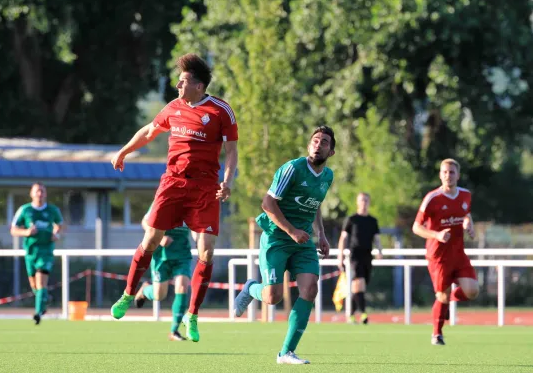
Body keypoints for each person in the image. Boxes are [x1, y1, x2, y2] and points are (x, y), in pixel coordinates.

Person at [109, 53, 238, 343]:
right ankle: (129, 294)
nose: (178, 87)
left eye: (183, 82)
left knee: (206, 253)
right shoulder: (174, 107)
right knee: (151, 239)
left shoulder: (221, 111)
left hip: (205, 188)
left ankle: (192, 316)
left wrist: (227, 181)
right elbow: (150, 131)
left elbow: (231, 151)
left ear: (199, 86)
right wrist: (124, 150)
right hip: (173, 183)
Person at [233, 126, 335, 365]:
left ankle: (286, 353)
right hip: (277, 238)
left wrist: (321, 234)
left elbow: (315, 203)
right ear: (310, 145)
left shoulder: (327, 176)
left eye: (325, 142)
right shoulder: (292, 169)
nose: (318, 144)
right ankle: (251, 288)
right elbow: (267, 203)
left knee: (310, 290)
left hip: (303, 242)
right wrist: (291, 230)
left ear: (331, 152)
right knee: (272, 297)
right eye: (315, 140)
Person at [412, 158, 479, 346]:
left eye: (451, 172)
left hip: (458, 254)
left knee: (472, 291)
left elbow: (466, 213)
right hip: (438, 257)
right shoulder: (432, 198)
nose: (448, 175)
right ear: (440, 175)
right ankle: (436, 334)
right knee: (441, 296)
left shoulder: (465, 195)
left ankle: (447, 301)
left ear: (458, 175)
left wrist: (468, 224)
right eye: (444, 172)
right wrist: (436, 235)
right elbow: (416, 227)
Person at [134, 205, 192, 341]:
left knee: (183, 286)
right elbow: (145, 222)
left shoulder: (192, 201)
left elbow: (197, 225)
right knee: (159, 295)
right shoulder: (164, 197)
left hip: (182, 254)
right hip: (162, 256)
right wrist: (160, 239)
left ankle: (174, 330)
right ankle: (145, 290)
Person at [10, 182, 64, 325]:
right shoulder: (25, 210)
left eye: (42, 191)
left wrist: (56, 233)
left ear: (45, 194)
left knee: (41, 282)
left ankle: (38, 313)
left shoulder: (52, 210)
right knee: (34, 285)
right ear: (31, 193)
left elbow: (60, 225)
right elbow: (13, 229)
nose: (40, 194)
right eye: (37, 191)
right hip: (30, 251)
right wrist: (27, 232)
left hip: (45, 251)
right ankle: (44, 299)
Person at [337, 192, 382, 324]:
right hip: (354, 256)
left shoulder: (373, 221)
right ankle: (363, 314)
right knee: (359, 283)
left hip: (368, 255)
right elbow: (343, 238)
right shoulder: (351, 219)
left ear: (369, 202)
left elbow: (377, 239)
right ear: (357, 202)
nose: (364, 203)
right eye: (362, 200)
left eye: (366, 200)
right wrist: (340, 257)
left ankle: (350, 313)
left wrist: (380, 251)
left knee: (360, 287)